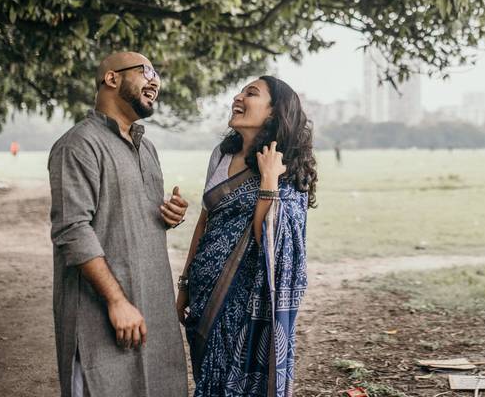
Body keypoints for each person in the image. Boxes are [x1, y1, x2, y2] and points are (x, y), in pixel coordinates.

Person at [48, 51, 190, 397]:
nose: (155, 80)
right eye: (146, 71)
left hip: (152, 306)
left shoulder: (147, 147)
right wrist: (116, 301)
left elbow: (126, 214)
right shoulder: (78, 144)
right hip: (102, 313)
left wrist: (168, 214)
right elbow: (72, 231)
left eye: (157, 74)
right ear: (112, 79)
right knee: (105, 385)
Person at [179, 76, 316, 397]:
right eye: (240, 91)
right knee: (208, 379)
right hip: (204, 292)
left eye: (250, 93)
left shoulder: (286, 167)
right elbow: (205, 221)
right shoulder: (221, 155)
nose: (237, 97)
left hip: (245, 300)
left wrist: (269, 180)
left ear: (273, 113)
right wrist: (185, 284)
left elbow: (267, 239)